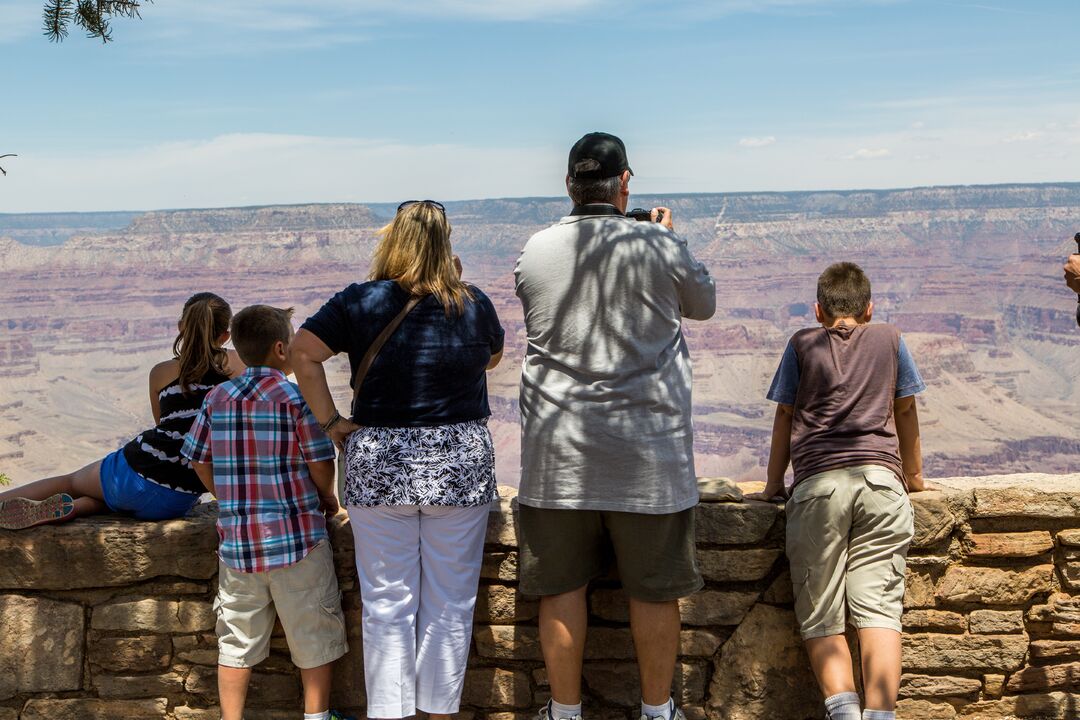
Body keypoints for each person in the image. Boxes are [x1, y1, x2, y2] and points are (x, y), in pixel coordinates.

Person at [513, 132, 716, 720]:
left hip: (558, 455)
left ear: (569, 186)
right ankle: (657, 711)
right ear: (625, 182)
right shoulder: (658, 243)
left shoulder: (536, 250)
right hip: (648, 455)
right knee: (655, 591)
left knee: (562, 589)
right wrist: (667, 236)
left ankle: (565, 712)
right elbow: (701, 304)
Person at [289, 200, 505, 720]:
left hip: (380, 462)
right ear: (447, 247)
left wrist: (330, 422)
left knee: (387, 604)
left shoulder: (359, 302)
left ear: (392, 241)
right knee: (451, 603)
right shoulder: (472, 302)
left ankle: (390, 713)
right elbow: (491, 357)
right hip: (459, 468)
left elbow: (302, 352)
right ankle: (439, 713)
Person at [747, 262, 926, 720]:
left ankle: (844, 713)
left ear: (818, 309)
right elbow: (904, 410)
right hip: (883, 484)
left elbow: (785, 415)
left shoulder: (802, 343)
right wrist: (916, 476)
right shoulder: (890, 338)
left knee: (822, 612)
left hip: (819, 488)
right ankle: (880, 715)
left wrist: (772, 484)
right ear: (869, 308)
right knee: (880, 611)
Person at [180, 305, 350, 720]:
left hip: (238, 546)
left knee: (236, 640)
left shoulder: (217, 397)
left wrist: (227, 495)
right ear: (280, 349)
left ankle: (231, 717)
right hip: (299, 540)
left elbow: (198, 458)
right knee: (313, 633)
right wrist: (327, 497)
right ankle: (317, 716)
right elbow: (319, 460)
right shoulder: (295, 398)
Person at [0, 292, 243, 529]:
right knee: (115, 501)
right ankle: (75, 509)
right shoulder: (240, 365)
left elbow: (163, 425)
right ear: (225, 336)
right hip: (177, 499)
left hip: (133, 475)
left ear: (181, 327)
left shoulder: (161, 373)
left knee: (72, 482)